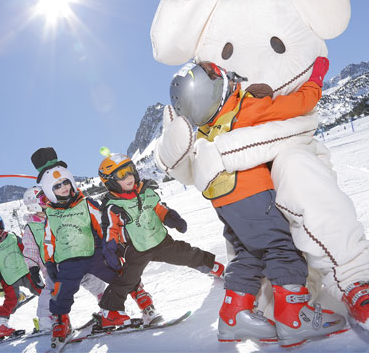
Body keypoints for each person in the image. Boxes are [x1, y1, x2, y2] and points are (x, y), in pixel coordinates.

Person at [169, 58, 347, 347]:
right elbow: (298, 104)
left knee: (247, 253)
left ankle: (233, 316)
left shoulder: (203, 132)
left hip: (225, 205)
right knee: (281, 246)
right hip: (253, 196)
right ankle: (293, 319)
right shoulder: (246, 109)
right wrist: (316, 77)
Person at [31, 147, 156, 346]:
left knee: (120, 274)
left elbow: (103, 223)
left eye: (66, 182)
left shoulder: (85, 203)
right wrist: (50, 263)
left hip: (94, 254)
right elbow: (49, 241)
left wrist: (110, 246)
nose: (63, 187)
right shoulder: (51, 216)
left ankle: (143, 300)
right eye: (57, 186)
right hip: (67, 262)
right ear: (49, 192)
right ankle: (61, 322)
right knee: (60, 293)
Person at [97, 152, 225, 328]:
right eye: (121, 174)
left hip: (160, 241)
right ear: (110, 181)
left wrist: (172, 218)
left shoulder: (146, 192)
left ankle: (213, 267)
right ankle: (110, 312)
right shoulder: (113, 206)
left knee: (186, 253)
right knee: (127, 279)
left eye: (129, 170)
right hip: (137, 249)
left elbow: (159, 209)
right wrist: (110, 249)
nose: (128, 176)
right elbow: (111, 229)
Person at [22, 186, 106, 333]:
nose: (48, 199)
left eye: (48, 195)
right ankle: (48, 321)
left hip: (77, 258)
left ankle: (108, 307)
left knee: (94, 282)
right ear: (34, 204)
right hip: (53, 268)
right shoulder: (31, 227)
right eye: (43, 198)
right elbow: (30, 250)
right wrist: (33, 268)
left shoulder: (59, 213)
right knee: (52, 293)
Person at [0, 212, 45, 340]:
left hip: (25, 272)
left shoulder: (13, 237)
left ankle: (52, 315)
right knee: (11, 301)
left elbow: (27, 249)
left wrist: (35, 266)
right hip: (8, 279)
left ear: (0, 223)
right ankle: (0, 327)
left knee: (42, 291)